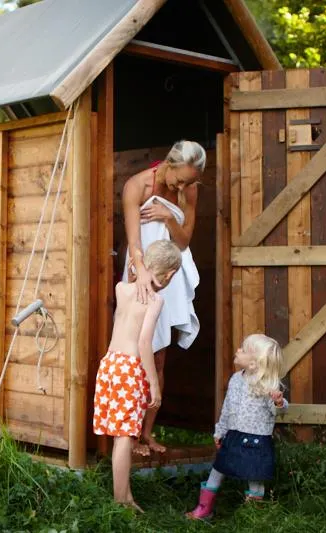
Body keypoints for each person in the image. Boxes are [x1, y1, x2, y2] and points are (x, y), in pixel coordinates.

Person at [121, 139, 207, 455]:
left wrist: (167, 216)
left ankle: (146, 433)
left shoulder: (190, 189)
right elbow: (133, 242)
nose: (182, 185)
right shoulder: (137, 186)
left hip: (168, 272)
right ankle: (127, 435)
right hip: (140, 268)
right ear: (167, 163)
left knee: (159, 356)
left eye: (189, 181)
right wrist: (141, 273)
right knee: (135, 351)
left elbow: (183, 242)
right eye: (179, 179)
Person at [92, 240, 183, 512]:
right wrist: (154, 383)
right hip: (130, 368)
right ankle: (122, 500)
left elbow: (134, 266)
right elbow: (145, 343)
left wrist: (137, 267)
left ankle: (125, 493)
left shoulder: (121, 289)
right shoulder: (155, 301)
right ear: (168, 275)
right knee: (123, 438)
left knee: (121, 435)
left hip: (109, 365)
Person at [186, 333, 288, 520]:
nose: (238, 350)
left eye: (244, 349)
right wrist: (220, 431)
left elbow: (278, 411)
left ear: (253, 363)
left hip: (256, 440)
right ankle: (204, 509)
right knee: (218, 468)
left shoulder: (266, 385)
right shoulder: (235, 379)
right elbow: (228, 408)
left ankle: (252, 516)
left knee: (254, 475)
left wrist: (279, 402)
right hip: (233, 435)